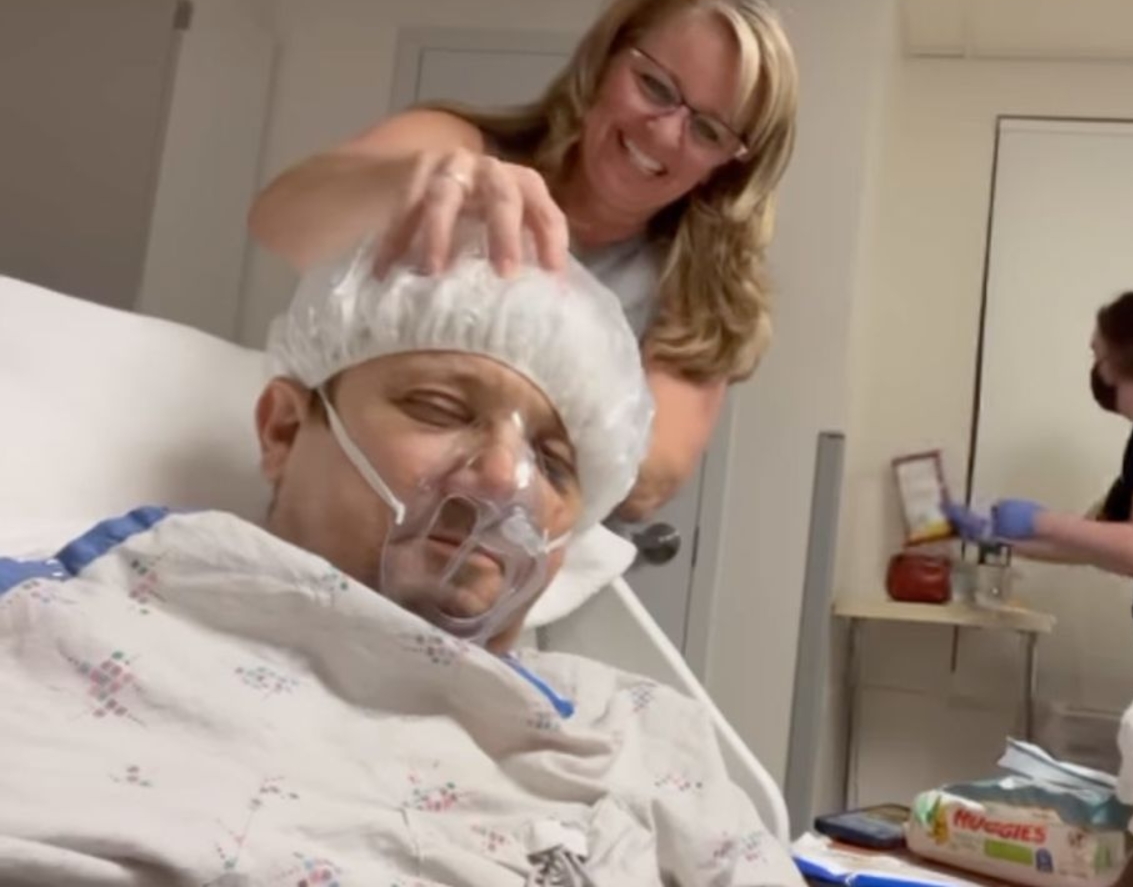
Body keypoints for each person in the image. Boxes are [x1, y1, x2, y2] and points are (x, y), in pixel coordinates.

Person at [0, 235, 802, 886]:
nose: (504, 478)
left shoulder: (638, 733)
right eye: (440, 408)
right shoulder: (65, 627)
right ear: (284, 430)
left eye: (555, 464)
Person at [248, 0, 799, 522]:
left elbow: (649, 475)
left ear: (726, 168)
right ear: (605, 62)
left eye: (707, 130)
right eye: (654, 86)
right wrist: (418, 183)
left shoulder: (698, 298)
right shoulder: (455, 143)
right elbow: (279, 221)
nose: (664, 132)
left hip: (514, 548)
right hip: (344, 507)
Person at [946, 290, 1133, 690]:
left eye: (1097, 353)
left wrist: (1040, 521)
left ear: (1123, 356)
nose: (1096, 367)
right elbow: (1093, 543)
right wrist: (996, 537)